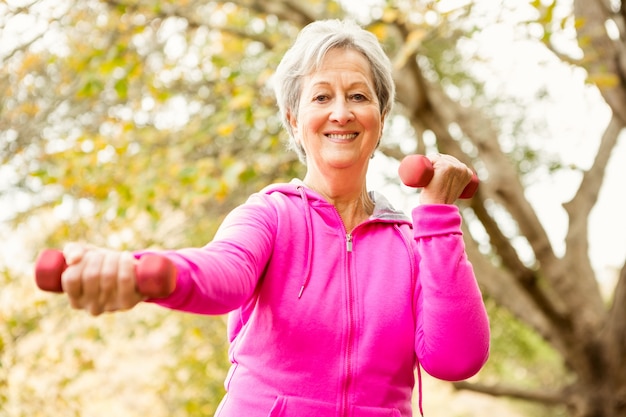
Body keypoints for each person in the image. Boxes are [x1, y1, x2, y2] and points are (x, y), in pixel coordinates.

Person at [60, 19, 489, 417]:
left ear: (380, 118)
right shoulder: (270, 215)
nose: (341, 112)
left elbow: (456, 358)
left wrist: (438, 216)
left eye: (358, 96)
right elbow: (222, 271)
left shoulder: (411, 245)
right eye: (321, 97)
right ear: (294, 119)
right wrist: (144, 274)